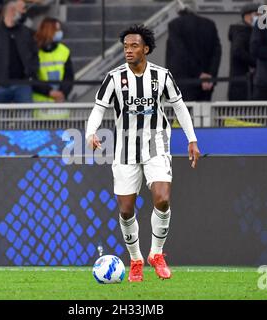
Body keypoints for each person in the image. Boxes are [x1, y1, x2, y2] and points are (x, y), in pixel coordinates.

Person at [86, 25, 200, 282]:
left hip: (156, 145)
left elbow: (179, 107)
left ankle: (156, 254)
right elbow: (98, 109)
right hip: (124, 149)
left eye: (134, 46)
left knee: (162, 199)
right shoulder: (114, 78)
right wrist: (90, 132)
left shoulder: (161, 76)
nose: (128, 50)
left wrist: (192, 139)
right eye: (125, 46)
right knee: (126, 209)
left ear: (146, 49)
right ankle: (136, 258)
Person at [0, 0, 39, 103]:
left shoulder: (26, 32)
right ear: (12, 11)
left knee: (26, 118)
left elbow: (34, 55)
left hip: (22, 85)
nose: (24, 13)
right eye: (22, 10)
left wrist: (31, 73)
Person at [166, 0, 221, 102]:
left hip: (185, 82)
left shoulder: (175, 25)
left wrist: (199, 74)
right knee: (205, 114)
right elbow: (216, 52)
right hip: (207, 83)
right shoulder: (209, 24)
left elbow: (180, 53)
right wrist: (210, 75)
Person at [32, 17, 73, 103]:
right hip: (40, 105)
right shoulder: (34, 51)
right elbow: (32, 77)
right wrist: (49, 92)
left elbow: (69, 77)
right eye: (57, 30)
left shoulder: (64, 51)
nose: (60, 33)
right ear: (48, 31)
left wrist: (63, 93)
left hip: (60, 104)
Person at [228, 3, 259, 101]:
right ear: (247, 15)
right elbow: (238, 51)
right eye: (257, 14)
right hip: (242, 82)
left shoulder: (250, 31)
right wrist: (256, 62)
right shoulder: (241, 31)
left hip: (245, 82)